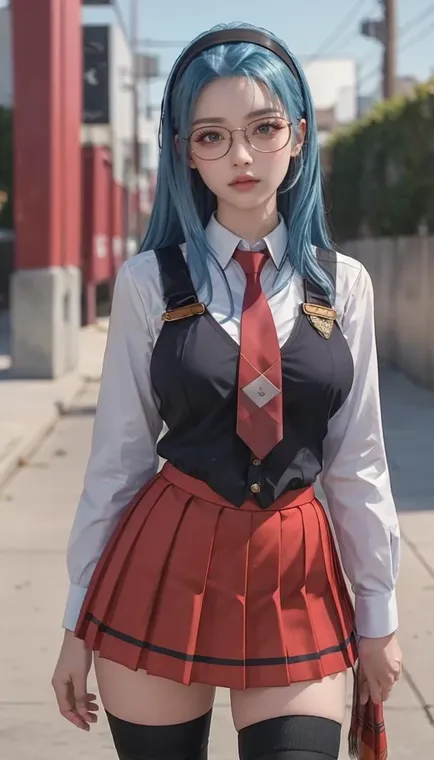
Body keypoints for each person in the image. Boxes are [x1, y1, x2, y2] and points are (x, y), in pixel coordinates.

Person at [51, 23, 402, 760]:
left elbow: (357, 462)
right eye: (211, 136)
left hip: (296, 572)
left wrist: (381, 619)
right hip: (164, 562)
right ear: (184, 151)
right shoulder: (151, 283)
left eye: (263, 127)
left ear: (299, 135)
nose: (241, 156)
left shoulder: (344, 287)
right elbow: (116, 461)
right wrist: (76, 623)